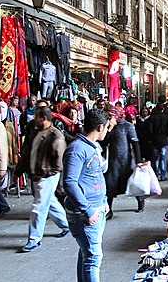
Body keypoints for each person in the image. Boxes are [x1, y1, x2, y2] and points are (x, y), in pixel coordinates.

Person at [63, 109, 110, 282]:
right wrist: (88, 210)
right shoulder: (76, 149)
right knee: (92, 259)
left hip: (95, 209)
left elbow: (95, 175)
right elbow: (69, 182)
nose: (107, 131)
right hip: (84, 214)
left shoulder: (92, 147)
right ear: (99, 127)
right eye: (106, 128)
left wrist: (103, 200)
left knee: (86, 255)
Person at [17, 106, 69, 252]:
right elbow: (27, 153)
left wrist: (50, 173)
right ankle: (66, 225)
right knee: (49, 202)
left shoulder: (56, 135)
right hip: (38, 174)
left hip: (47, 176)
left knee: (39, 207)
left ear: (44, 119)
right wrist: (19, 170)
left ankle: (34, 239)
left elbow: (59, 159)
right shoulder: (35, 131)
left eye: (36, 117)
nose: (34, 119)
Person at [102, 106, 142, 218]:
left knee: (133, 184)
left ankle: (140, 202)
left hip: (126, 161)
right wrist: (109, 128)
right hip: (112, 162)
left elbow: (135, 143)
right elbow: (103, 142)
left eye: (111, 116)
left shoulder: (127, 126)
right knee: (109, 186)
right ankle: (109, 210)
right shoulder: (107, 127)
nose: (109, 118)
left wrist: (138, 161)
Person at [149, 103, 168, 181]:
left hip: (155, 140)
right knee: (163, 158)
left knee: (156, 158)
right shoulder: (166, 118)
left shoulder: (152, 118)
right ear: (163, 109)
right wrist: (165, 136)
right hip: (163, 139)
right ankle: (163, 175)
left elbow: (150, 130)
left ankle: (156, 174)